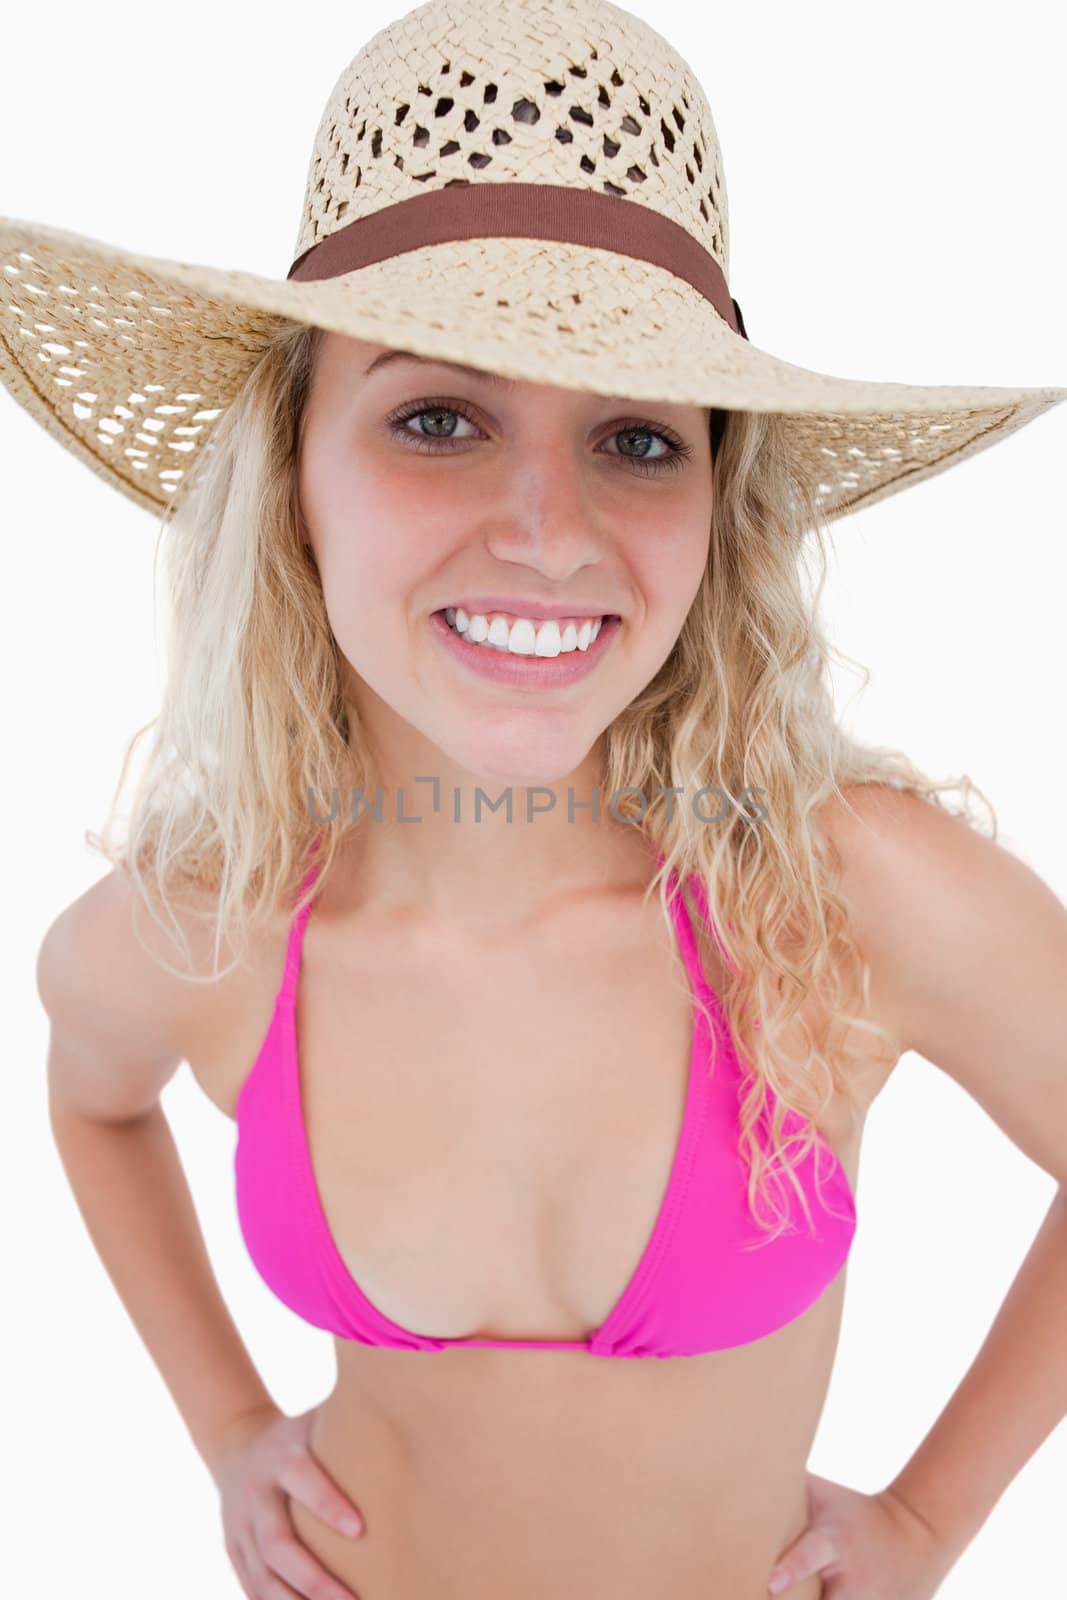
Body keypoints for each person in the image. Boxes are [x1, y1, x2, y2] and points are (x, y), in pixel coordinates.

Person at [9, 1, 1067, 1597]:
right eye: (440, 416)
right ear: (293, 466)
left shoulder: (847, 896)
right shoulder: (213, 927)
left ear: (720, 506)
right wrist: (228, 1426)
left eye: (638, 439)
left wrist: (932, 1519)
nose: (554, 536)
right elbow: (90, 1098)